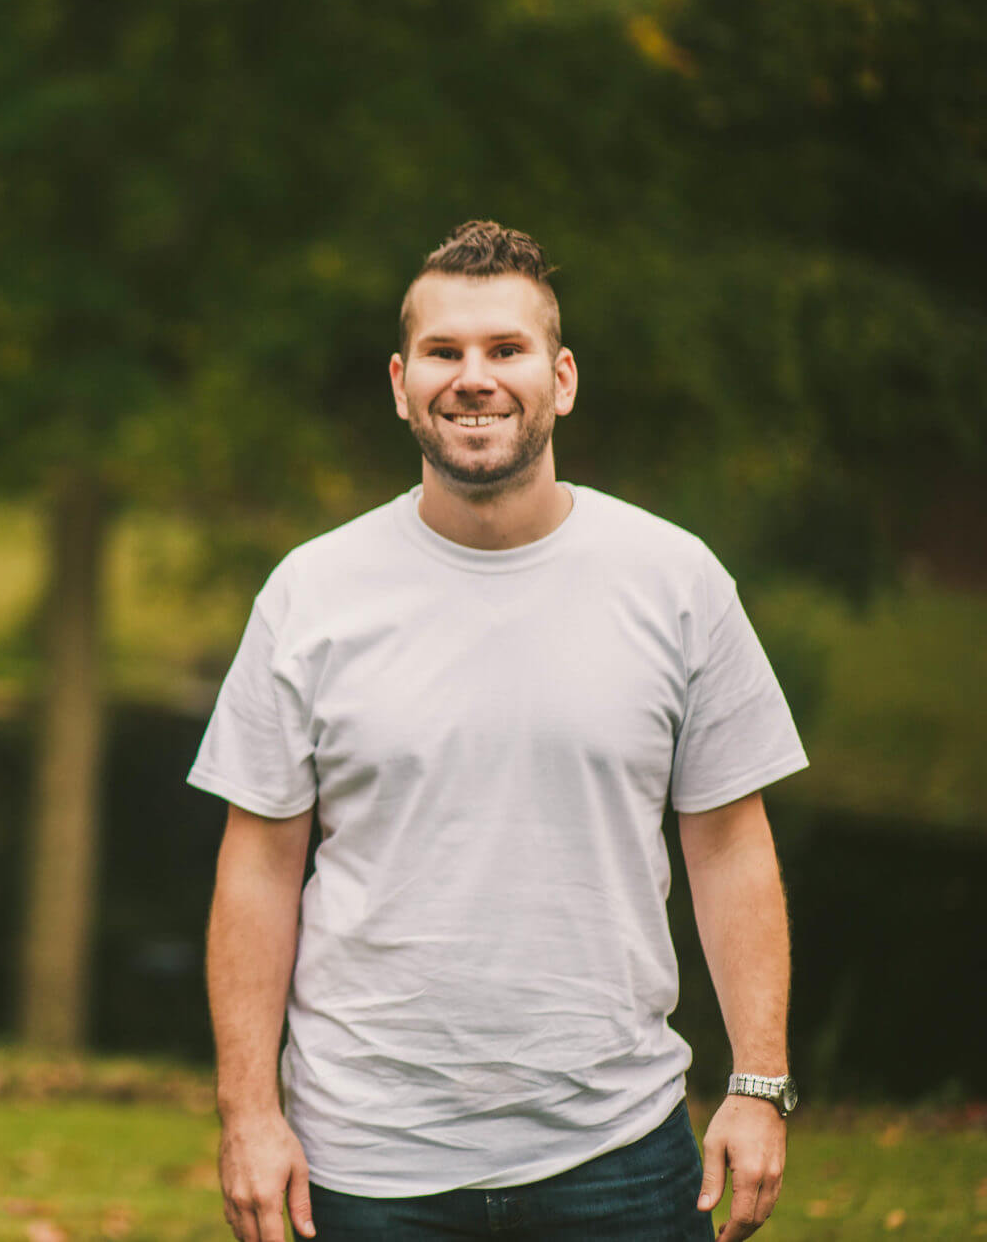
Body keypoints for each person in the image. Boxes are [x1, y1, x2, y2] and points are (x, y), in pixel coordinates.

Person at [194, 222, 803, 1242]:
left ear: (559, 378)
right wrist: (246, 1113)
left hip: (617, 1151)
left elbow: (728, 842)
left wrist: (758, 1082)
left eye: (503, 350)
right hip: (364, 1165)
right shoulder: (311, 592)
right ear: (399, 382)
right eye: (443, 352)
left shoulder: (675, 581)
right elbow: (257, 866)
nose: (471, 378)